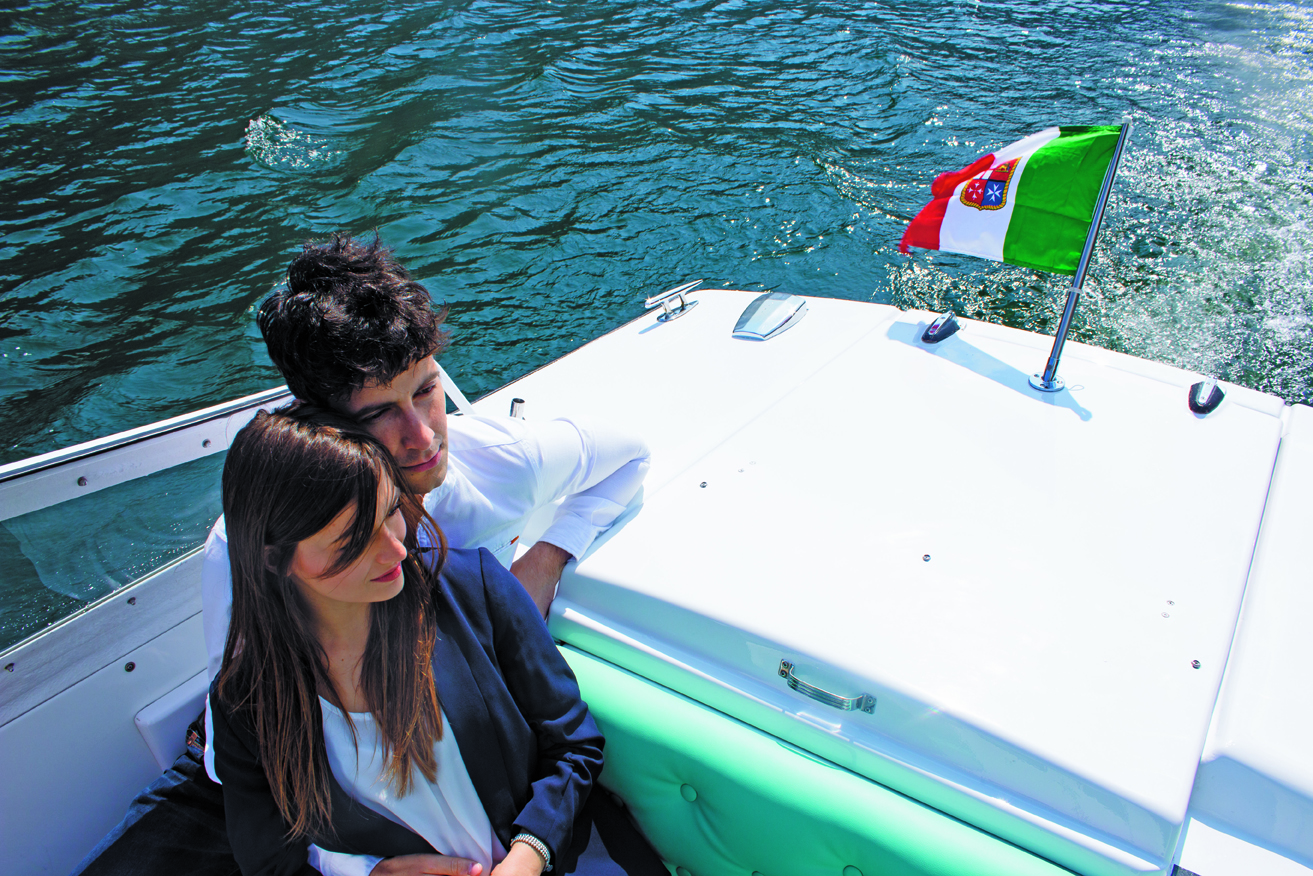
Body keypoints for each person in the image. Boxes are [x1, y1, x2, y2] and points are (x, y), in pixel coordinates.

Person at [72, 234, 650, 876]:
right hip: (275, 772)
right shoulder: (246, 549)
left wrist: (539, 565)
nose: (424, 436)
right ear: (324, 423)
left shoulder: (497, 467)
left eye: (427, 390)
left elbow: (628, 455)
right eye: (381, 413)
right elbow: (261, 739)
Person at [211, 406, 664, 876]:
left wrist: (531, 853)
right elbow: (267, 862)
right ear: (274, 560)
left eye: (391, 512)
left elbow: (574, 744)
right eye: (352, 540)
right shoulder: (245, 703)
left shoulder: (475, 587)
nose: (395, 548)